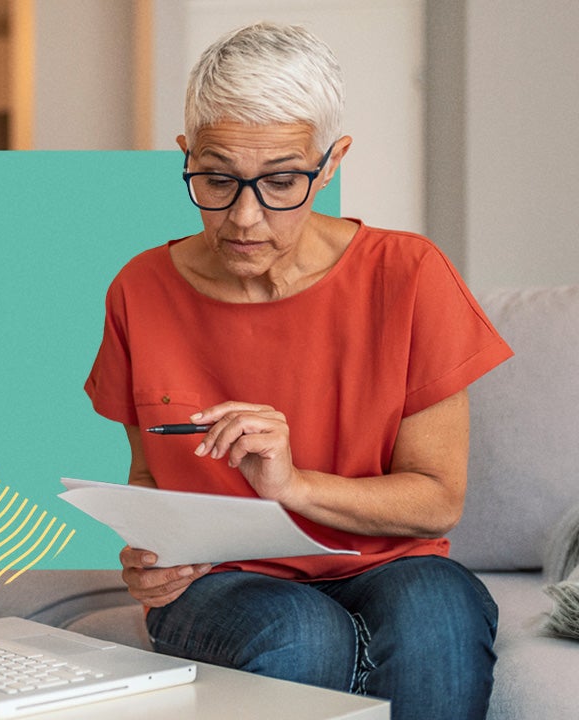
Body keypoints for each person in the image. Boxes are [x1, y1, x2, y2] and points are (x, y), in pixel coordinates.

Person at [83, 21, 513, 720]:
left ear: (331, 161)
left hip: (389, 565)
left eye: (281, 180)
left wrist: (291, 486)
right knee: (302, 632)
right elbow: (147, 479)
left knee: (440, 610)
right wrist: (150, 558)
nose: (245, 217)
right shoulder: (141, 288)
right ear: (187, 155)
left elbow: (438, 499)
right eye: (217, 178)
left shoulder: (408, 276)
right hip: (222, 584)